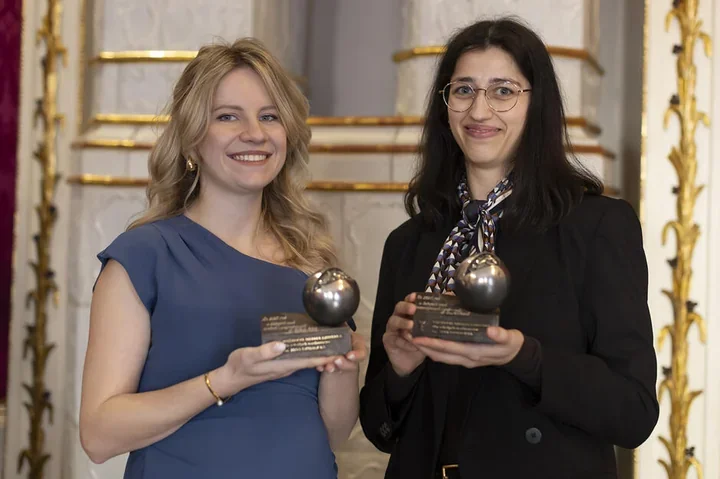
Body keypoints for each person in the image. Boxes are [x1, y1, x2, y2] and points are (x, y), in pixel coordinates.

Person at [359, 18, 658, 479]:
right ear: (445, 106)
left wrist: (522, 356)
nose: (479, 111)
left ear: (537, 105)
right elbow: (379, 429)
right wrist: (400, 370)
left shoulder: (597, 226)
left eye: (503, 91)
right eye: (463, 90)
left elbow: (633, 412)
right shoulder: (409, 242)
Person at [79, 38, 365, 478]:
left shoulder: (313, 265)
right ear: (192, 140)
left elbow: (333, 433)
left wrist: (343, 369)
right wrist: (226, 380)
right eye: (228, 116)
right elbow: (99, 436)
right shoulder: (144, 256)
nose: (255, 133)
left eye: (269, 116)